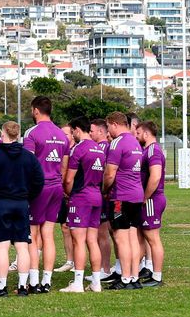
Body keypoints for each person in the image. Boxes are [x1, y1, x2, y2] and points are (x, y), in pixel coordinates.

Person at [0, 120, 44, 297]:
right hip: (21, 203)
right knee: (23, 246)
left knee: (2, 247)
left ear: (2, 134)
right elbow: (39, 180)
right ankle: (23, 286)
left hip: (1, 203)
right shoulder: (29, 157)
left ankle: (2, 287)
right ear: (18, 134)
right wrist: (27, 196)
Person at [22, 96, 70, 293]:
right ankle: (47, 281)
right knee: (48, 234)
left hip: (39, 189)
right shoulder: (62, 135)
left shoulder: (31, 133)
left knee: (32, 234)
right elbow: (65, 166)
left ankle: (33, 281)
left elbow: (27, 165)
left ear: (35, 110)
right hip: (56, 187)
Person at [60, 118, 105, 293]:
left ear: (77, 130)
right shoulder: (99, 148)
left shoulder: (78, 148)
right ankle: (96, 282)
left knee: (78, 241)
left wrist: (68, 194)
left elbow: (69, 178)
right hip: (96, 196)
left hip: (81, 197)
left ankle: (77, 283)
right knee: (92, 241)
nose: (72, 135)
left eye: (72, 132)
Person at [102, 111, 145, 290]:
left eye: (108, 127)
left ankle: (125, 278)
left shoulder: (118, 143)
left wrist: (104, 190)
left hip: (121, 196)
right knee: (133, 238)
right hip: (136, 195)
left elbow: (110, 173)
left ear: (114, 124)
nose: (108, 132)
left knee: (121, 239)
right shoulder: (135, 142)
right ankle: (134, 276)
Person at [135, 120, 166, 288]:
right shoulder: (147, 150)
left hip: (152, 199)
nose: (137, 136)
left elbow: (155, 177)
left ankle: (157, 276)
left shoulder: (153, 150)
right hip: (149, 199)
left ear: (146, 134)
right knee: (142, 237)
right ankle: (132, 272)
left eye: (138, 133)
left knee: (153, 239)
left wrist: (145, 197)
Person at [89, 118, 114, 281]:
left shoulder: (104, 147)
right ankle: (106, 267)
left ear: (100, 131)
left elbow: (107, 173)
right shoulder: (101, 147)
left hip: (103, 196)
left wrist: (104, 190)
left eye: (91, 130)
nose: (90, 133)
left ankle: (105, 268)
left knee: (102, 233)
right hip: (101, 195)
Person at [55, 124, 76, 274]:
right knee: (64, 227)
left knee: (76, 229)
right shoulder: (61, 149)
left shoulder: (77, 149)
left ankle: (77, 261)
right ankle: (70, 261)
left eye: (66, 134)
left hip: (73, 194)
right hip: (62, 192)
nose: (63, 137)